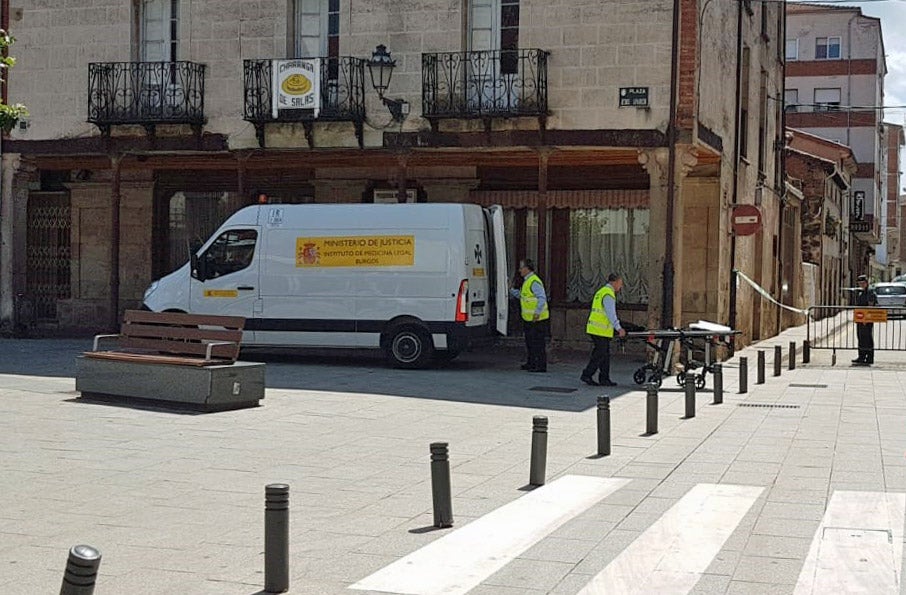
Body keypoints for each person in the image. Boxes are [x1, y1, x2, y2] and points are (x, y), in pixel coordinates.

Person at [580, 273, 626, 386]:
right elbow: (611, 313)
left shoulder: (601, 292)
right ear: (614, 282)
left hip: (596, 328)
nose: (621, 286)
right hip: (599, 329)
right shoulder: (608, 294)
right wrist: (619, 328)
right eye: (620, 283)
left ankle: (604, 378)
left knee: (604, 354)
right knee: (600, 354)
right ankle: (587, 374)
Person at [510, 259, 549, 372]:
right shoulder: (527, 281)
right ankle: (531, 362)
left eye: (521, 268)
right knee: (530, 342)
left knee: (538, 343)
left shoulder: (534, 281)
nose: (519, 270)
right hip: (529, 319)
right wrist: (511, 291)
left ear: (527, 268)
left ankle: (540, 365)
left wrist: (537, 313)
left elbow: (542, 298)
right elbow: (523, 296)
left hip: (537, 319)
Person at [853, 274, 877, 365]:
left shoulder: (870, 292)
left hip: (866, 319)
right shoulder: (862, 292)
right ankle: (861, 356)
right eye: (860, 283)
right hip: (860, 318)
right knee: (861, 337)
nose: (861, 285)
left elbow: (870, 305)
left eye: (863, 283)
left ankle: (869, 357)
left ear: (866, 283)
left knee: (867, 338)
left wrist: (866, 319)